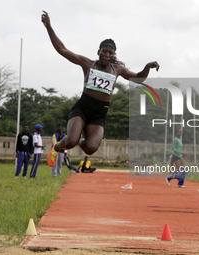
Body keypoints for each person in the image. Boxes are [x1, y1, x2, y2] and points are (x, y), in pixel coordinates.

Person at [41, 11, 160, 167]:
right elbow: (62, 49)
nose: (106, 55)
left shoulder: (117, 70)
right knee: (70, 142)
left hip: (99, 114)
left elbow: (138, 78)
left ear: (113, 56)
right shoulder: (87, 64)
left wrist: (147, 67)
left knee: (90, 148)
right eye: (104, 51)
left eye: (110, 53)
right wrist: (49, 27)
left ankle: (79, 139)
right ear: (99, 52)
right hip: (82, 109)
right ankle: (56, 147)